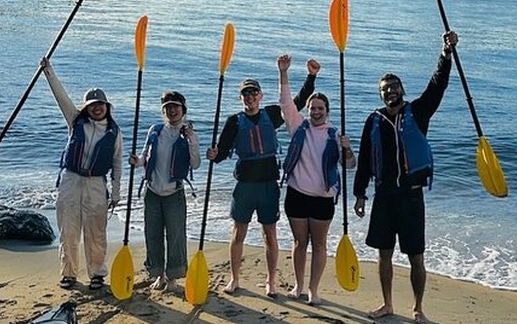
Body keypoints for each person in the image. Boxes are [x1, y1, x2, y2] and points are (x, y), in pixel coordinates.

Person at [353, 30, 458, 324]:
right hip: (384, 196)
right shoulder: (373, 120)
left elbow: (437, 86)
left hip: (412, 196)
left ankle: (417, 309)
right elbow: (363, 161)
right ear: (381, 94)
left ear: (402, 89)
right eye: (386, 89)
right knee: (384, 254)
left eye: (395, 86)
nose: (391, 91)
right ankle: (387, 304)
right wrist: (360, 193)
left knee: (416, 257)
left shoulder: (418, 112)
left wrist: (445, 54)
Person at [206, 57, 320, 297]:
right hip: (245, 187)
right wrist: (214, 155)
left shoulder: (272, 114)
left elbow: (297, 102)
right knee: (238, 233)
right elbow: (222, 152)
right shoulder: (234, 122)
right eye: (245, 94)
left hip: (268, 186)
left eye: (253, 93)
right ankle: (234, 279)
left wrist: (310, 76)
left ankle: (271, 281)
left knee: (270, 234)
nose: (249, 97)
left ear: (260, 95)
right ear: (241, 98)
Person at [278, 54, 355, 305]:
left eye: (321, 108)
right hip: (297, 195)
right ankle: (298, 286)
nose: (317, 112)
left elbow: (349, 165)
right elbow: (286, 103)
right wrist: (283, 72)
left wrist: (347, 149)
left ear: (327, 111)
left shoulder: (335, 134)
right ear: (308, 110)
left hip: (323, 198)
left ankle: (314, 290)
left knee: (319, 245)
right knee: (300, 243)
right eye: (313, 108)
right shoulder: (298, 126)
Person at [40, 57, 123, 291]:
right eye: (93, 105)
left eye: (101, 104)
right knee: (69, 230)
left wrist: (115, 193)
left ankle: (97, 274)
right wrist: (49, 71)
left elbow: (117, 164)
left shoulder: (114, 132)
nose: (97, 108)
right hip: (70, 181)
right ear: (86, 107)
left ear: (107, 107)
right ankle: (68, 274)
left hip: (96, 184)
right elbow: (61, 97)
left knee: (96, 232)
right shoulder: (75, 120)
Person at [129, 91, 201, 292]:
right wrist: (137, 162)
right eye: (168, 107)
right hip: (152, 192)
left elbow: (195, 164)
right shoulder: (155, 130)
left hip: (174, 194)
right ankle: (158, 275)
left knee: (176, 237)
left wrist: (192, 140)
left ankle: (172, 279)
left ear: (183, 110)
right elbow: (144, 158)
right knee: (152, 235)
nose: (172, 110)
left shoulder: (189, 135)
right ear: (164, 110)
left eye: (176, 106)